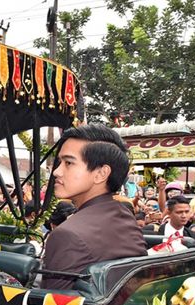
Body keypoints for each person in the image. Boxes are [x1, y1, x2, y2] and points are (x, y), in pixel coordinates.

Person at [42, 124, 146, 290]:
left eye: (68, 163)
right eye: (59, 162)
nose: (56, 172)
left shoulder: (67, 235)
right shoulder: (125, 218)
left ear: (101, 174)